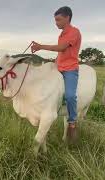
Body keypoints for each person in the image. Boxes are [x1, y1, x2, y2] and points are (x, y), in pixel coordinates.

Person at [31, 6, 81, 142]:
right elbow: (61, 53)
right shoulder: (62, 34)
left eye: (58, 20)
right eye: (55, 20)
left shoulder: (74, 32)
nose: (56, 23)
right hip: (59, 67)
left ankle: (72, 122)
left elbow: (62, 48)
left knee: (70, 96)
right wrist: (55, 61)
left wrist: (41, 46)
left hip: (70, 69)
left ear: (67, 18)